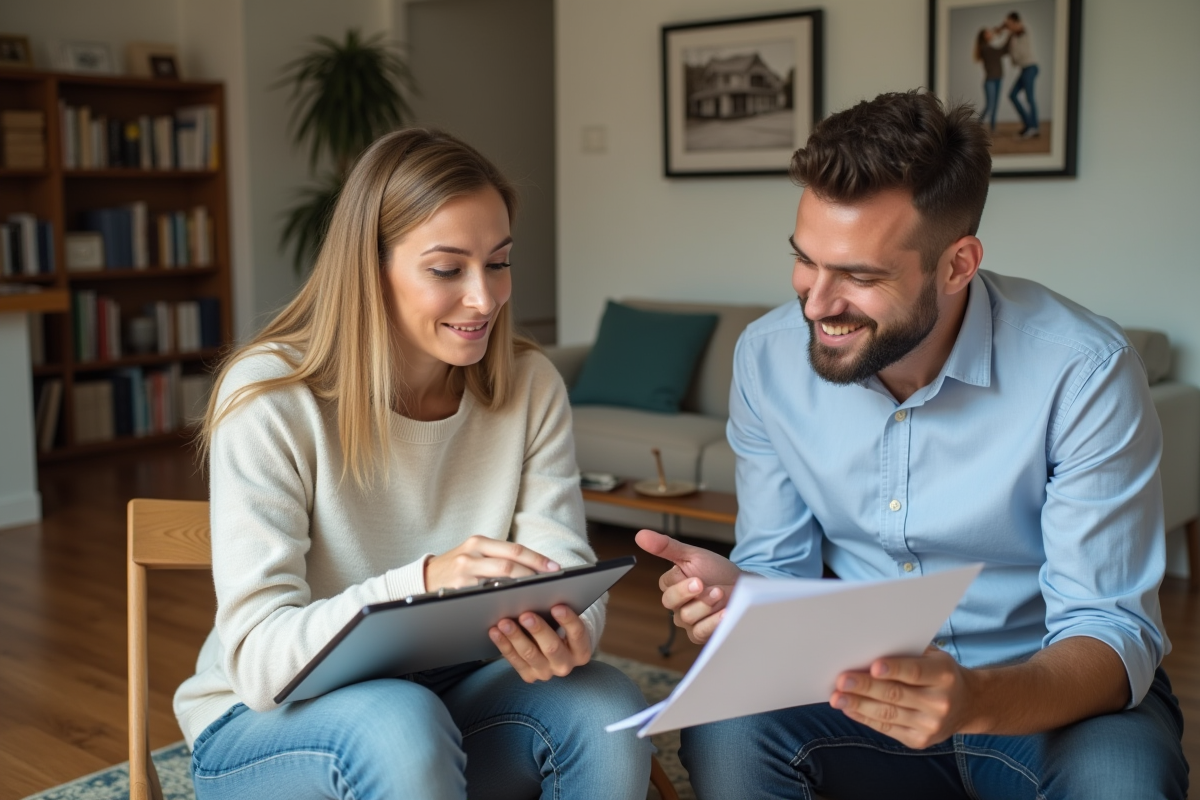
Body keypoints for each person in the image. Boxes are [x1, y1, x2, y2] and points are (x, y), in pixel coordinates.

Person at [637, 91, 1188, 799]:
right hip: (851, 690)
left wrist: (972, 698)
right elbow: (782, 567)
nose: (815, 304)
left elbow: (1109, 634)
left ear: (958, 264)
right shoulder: (768, 357)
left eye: (860, 277)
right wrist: (741, 599)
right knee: (728, 733)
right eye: (805, 260)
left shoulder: (1084, 371)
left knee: (1125, 783)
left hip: (1042, 692)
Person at [175, 128, 652, 800]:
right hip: (267, 723)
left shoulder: (530, 384)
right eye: (447, 269)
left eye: (500, 262)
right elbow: (257, 663)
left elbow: (566, 569)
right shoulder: (271, 398)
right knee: (400, 723)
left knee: (602, 706)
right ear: (369, 269)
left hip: (448, 697)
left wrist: (571, 631)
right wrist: (423, 582)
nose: (485, 299)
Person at [1002, 11, 1040, 137]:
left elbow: (1019, 54)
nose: (1008, 26)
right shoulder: (1013, 36)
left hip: (1030, 67)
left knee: (1030, 98)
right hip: (1024, 69)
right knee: (1012, 95)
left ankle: (1033, 127)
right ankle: (1029, 125)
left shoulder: (1023, 30)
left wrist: (1008, 29)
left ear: (1015, 22)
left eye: (1009, 23)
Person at [973, 26, 1006, 131]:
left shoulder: (988, 47)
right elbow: (1002, 50)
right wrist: (1005, 33)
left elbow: (1001, 50)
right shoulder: (985, 48)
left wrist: (999, 32)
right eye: (987, 33)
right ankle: (976, 126)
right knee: (990, 105)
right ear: (983, 37)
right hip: (990, 80)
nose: (990, 34)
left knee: (995, 106)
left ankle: (993, 128)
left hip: (998, 79)